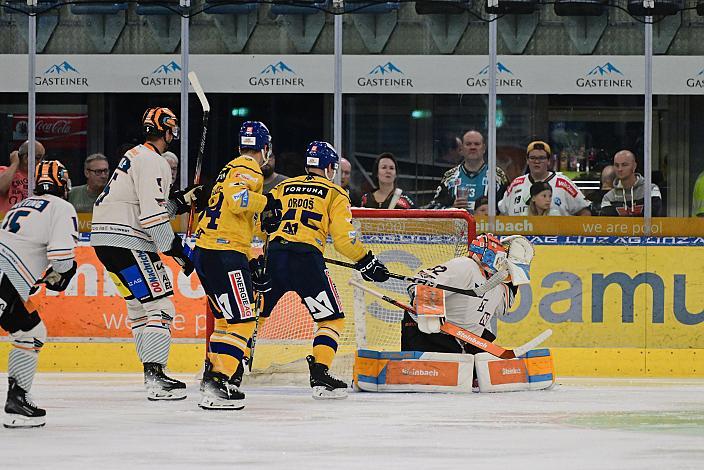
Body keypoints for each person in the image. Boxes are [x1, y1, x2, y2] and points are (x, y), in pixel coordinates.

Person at [91, 107, 207, 401]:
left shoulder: (134, 156)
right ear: (169, 130)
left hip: (106, 242)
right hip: (130, 242)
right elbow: (152, 218)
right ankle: (156, 378)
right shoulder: (154, 161)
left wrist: (179, 202)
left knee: (139, 308)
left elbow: (145, 206)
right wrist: (178, 250)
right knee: (161, 307)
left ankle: (151, 373)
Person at [263, 141, 390, 399]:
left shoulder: (283, 187)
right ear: (330, 167)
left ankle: (226, 372)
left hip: (273, 257)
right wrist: (366, 260)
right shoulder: (335, 193)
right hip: (306, 261)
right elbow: (344, 240)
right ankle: (320, 375)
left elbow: (260, 222)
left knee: (251, 318)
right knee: (331, 319)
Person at [193, 121, 282, 410]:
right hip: (225, 253)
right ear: (264, 148)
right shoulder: (248, 166)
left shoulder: (228, 168)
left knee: (224, 321)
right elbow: (237, 200)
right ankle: (218, 382)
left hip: (207, 252)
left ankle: (214, 377)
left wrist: (261, 216)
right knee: (243, 321)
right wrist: (267, 201)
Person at [0, 160, 78, 428]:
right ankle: (17, 399)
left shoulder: (20, 205)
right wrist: (67, 271)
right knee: (29, 334)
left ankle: (18, 400)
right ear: (63, 185)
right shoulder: (62, 207)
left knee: (31, 331)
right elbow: (61, 259)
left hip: (8, 281)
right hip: (5, 280)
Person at [402, 234, 531, 355]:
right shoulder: (466, 266)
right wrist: (430, 311)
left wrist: (513, 278)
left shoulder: (496, 284)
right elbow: (424, 282)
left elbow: (502, 307)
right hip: (427, 334)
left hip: (460, 341)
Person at [499, 140, 591, 216]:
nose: (537, 161)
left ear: (549, 161)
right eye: (532, 158)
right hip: (520, 237)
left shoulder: (562, 183)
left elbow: (584, 212)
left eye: (541, 158)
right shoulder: (516, 184)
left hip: (555, 237)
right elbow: (503, 214)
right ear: (527, 160)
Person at [426, 130, 508, 213]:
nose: (473, 147)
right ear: (461, 149)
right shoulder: (449, 177)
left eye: (477, 144)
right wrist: (452, 208)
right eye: (468, 144)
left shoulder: (498, 176)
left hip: (487, 225)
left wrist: (494, 212)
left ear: (484, 148)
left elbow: (508, 208)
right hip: (457, 225)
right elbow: (433, 209)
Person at [601, 150, 662, 217]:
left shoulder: (651, 190)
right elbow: (608, 223)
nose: (620, 169)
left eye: (624, 165)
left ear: (634, 166)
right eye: (616, 165)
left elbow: (654, 215)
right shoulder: (608, 197)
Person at [0, 140, 45, 213]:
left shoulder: (40, 178)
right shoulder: (4, 171)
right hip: (7, 221)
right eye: (38, 158)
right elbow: (1, 188)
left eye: (42, 158)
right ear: (25, 157)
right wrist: (14, 163)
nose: (40, 162)